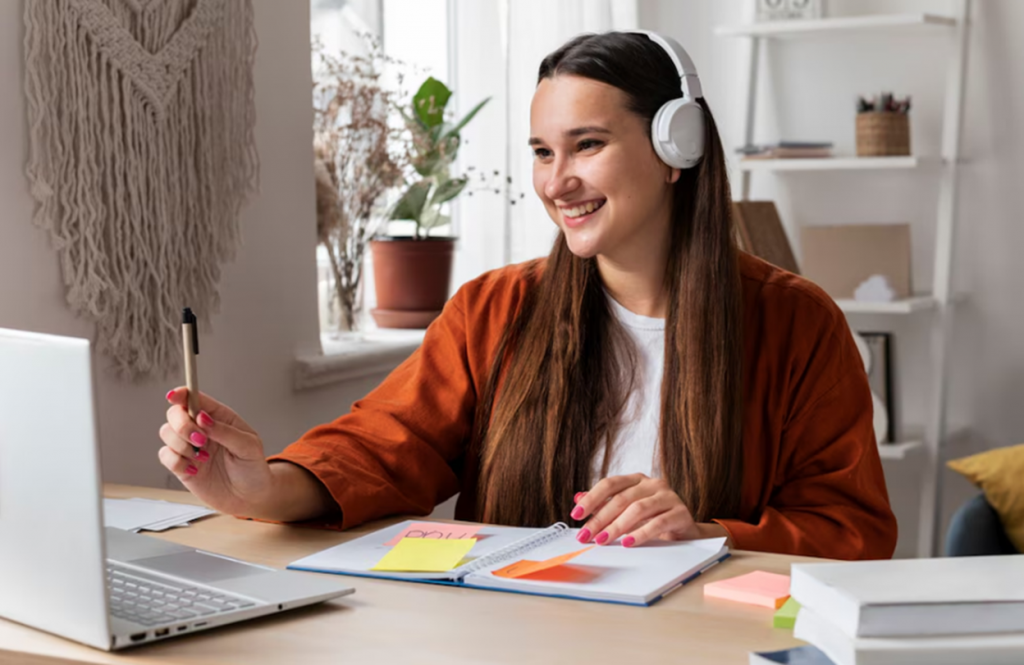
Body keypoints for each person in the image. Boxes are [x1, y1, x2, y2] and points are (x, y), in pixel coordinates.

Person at [159, 31, 897, 560]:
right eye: (543, 152)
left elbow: (851, 529)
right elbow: (384, 447)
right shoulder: (495, 310)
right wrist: (258, 486)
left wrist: (708, 532)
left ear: (679, 150)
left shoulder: (798, 323)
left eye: (587, 146)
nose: (555, 181)